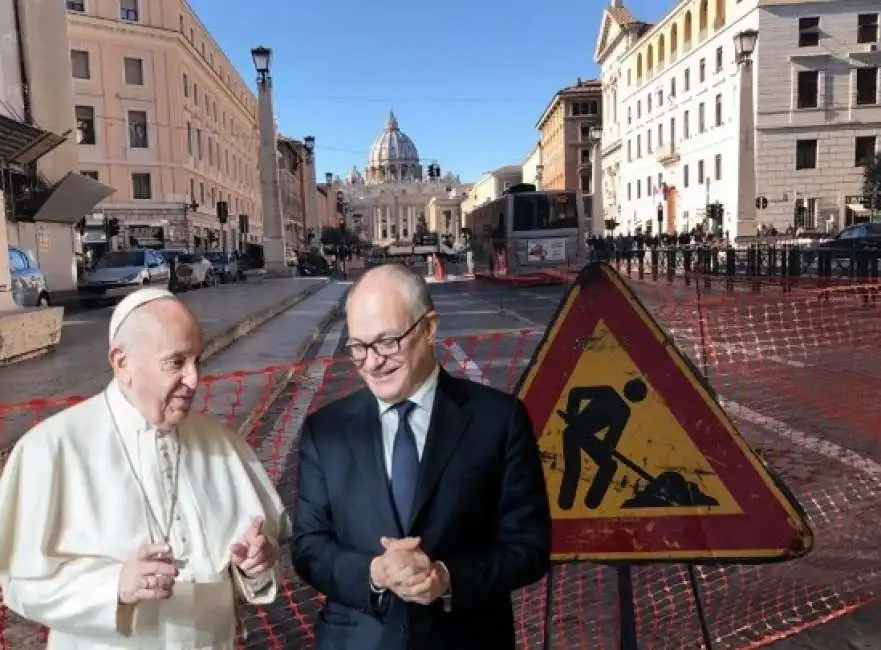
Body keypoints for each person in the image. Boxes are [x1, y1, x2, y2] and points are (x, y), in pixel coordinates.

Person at [0, 287, 289, 649]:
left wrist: (254, 568)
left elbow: (255, 562)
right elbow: (22, 583)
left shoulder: (223, 445)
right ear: (122, 364)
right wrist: (115, 587)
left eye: (197, 360)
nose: (195, 379)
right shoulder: (51, 449)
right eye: (176, 362)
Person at [292, 264, 551, 650]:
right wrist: (375, 573)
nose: (372, 362)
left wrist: (446, 577)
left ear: (429, 328)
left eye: (387, 341)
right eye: (358, 347)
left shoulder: (499, 420)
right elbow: (309, 548)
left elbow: (528, 546)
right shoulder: (324, 431)